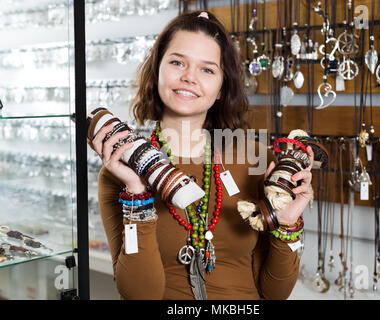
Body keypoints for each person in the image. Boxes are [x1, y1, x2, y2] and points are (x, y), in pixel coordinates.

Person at [87, 10, 314, 300]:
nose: (189, 77)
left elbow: (275, 292)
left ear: (221, 87)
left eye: (207, 69)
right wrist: (137, 192)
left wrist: (287, 224)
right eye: (177, 62)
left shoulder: (255, 158)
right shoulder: (119, 172)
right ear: (157, 70)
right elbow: (139, 295)